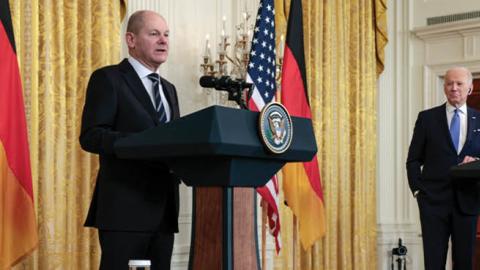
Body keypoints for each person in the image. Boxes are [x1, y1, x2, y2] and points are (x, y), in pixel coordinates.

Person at [79, 10, 180, 270]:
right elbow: (92, 136)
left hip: (164, 213)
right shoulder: (108, 78)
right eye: (154, 34)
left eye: (166, 35)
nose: (163, 41)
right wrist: (144, 143)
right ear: (131, 40)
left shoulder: (169, 89)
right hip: (124, 212)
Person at [407, 66, 480, 269]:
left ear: (470, 88)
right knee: (433, 262)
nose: (454, 88)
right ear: (444, 87)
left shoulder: (479, 119)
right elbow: (413, 160)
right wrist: (418, 191)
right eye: (449, 83)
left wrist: (475, 161)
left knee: (464, 262)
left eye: (459, 83)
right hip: (433, 203)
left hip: (468, 202)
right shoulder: (427, 118)